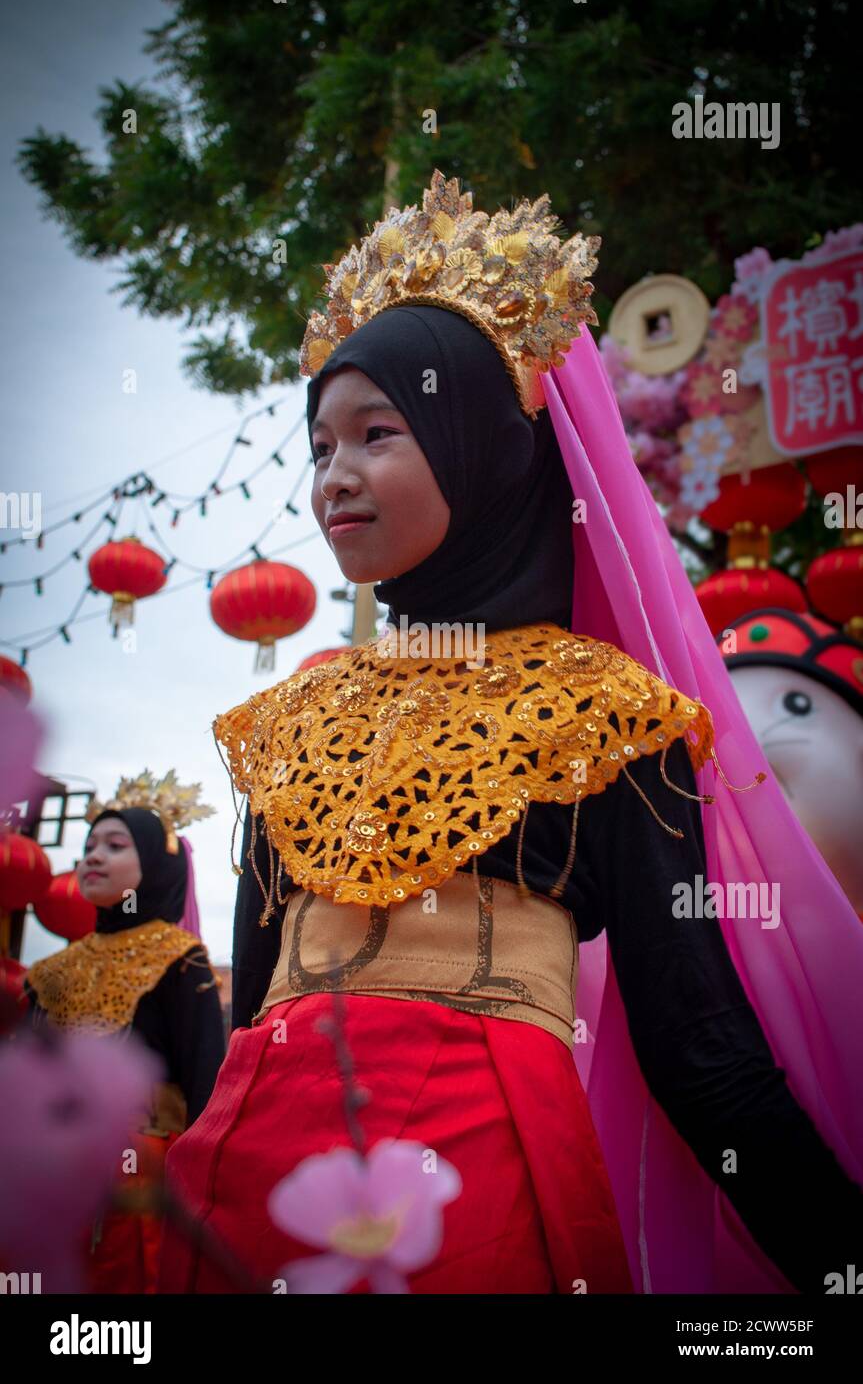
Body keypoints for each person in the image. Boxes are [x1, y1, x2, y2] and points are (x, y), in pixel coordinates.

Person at [159, 171, 863, 1295]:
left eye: (374, 433)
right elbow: (252, 1016)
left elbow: (699, 1053)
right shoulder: (282, 724)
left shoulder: (609, 718)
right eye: (318, 445)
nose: (333, 476)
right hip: (240, 1193)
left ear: (485, 444)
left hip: (479, 1193)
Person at [25, 770, 225, 1292]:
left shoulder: (181, 961)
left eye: (115, 846)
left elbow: (204, 1082)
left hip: (137, 1178)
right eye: (89, 844)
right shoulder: (47, 973)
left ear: (157, 868)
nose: (92, 856)